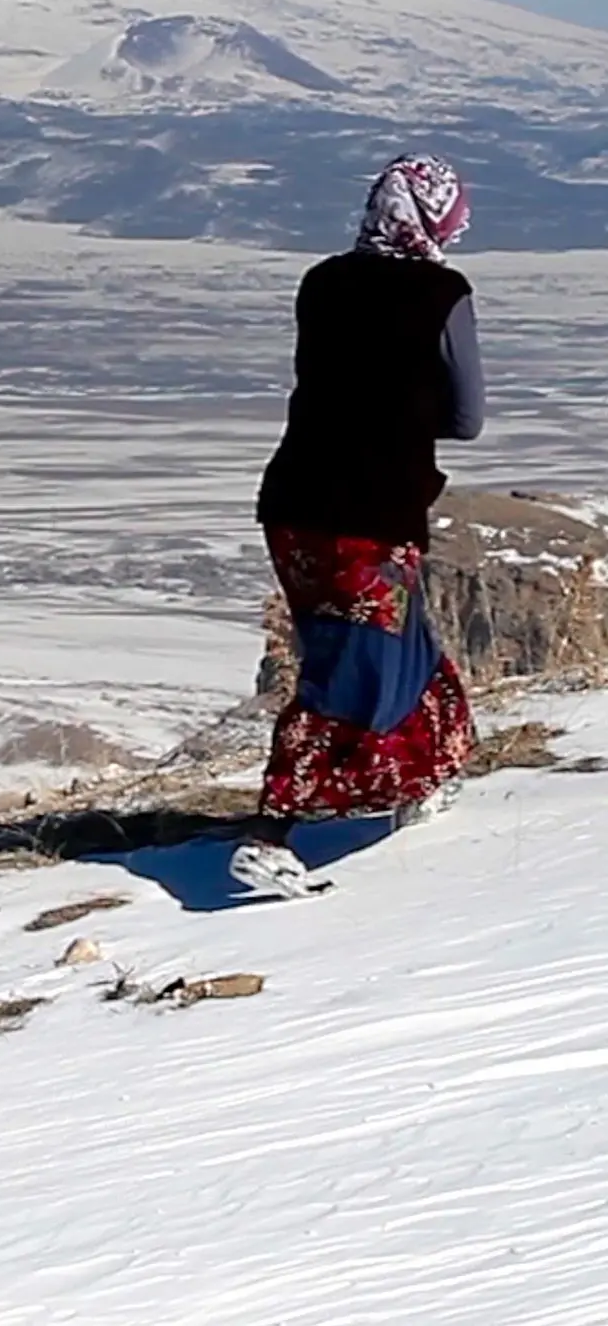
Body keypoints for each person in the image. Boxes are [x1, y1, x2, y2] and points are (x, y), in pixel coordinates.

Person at [236, 155, 485, 898]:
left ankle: (426, 779)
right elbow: (467, 418)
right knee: (350, 673)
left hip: (292, 505)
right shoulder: (443, 292)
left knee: (399, 647)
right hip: (369, 513)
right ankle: (270, 833)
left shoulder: (323, 281)